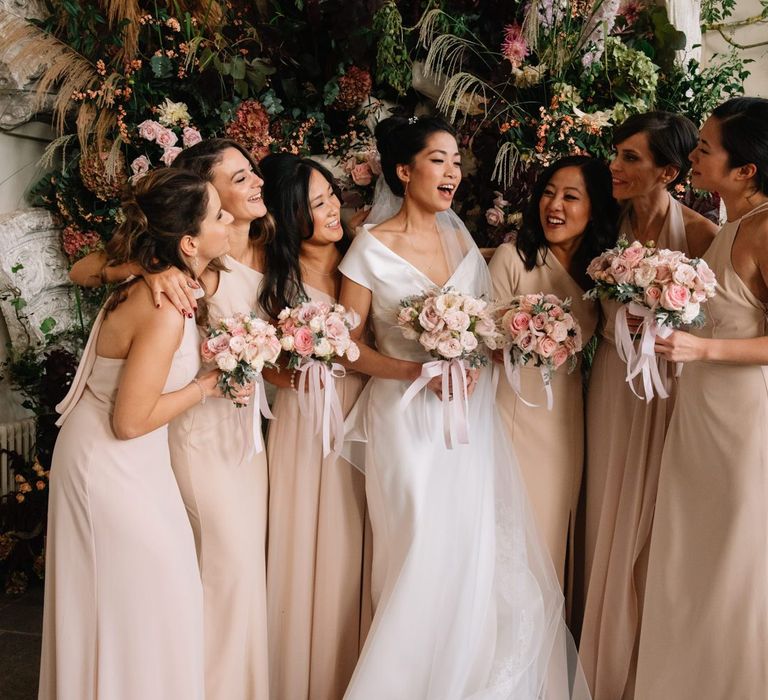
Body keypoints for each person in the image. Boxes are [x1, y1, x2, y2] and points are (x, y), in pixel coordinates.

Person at [338, 115, 589, 699]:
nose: (452, 172)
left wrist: (510, 340)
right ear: (404, 171)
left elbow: (485, 325)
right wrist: (413, 370)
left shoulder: (465, 244)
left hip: (471, 418)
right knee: (419, 544)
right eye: (438, 160)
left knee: (471, 547)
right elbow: (347, 346)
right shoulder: (369, 249)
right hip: (404, 417)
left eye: (456, 161)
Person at [69, 139, 274, 700]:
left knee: (206, 579)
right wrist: (145, 268)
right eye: (227, 191)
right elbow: (85, 269)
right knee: (189, 578)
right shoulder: (163, 288)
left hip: (209, 439)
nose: (242, 198)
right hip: (166, 438)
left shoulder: (237, 260)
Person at [38, 169, 230, 699]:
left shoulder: (166, 279)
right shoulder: (163, 305)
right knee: (140, 603)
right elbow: (129, 422)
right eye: (220, 214)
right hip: (110, 461)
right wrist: (205, 386)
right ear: (189, 241)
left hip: (133, 463)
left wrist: (148, 269)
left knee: (150, 603)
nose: (231, 218)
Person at [579, 112, 717, 700]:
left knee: (657, 519)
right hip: (611, 384)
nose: (615, 165)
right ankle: (593, 645)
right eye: (616, 153)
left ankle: (641, 666)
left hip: (669, 391)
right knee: (603, 500)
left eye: (632, 157)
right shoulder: (602, 224)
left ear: (668, 170)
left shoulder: (703, 235)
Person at [634, 97, 768, 700]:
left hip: (745, 423)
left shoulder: (767, 230)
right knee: (691, 557)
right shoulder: (730, 223)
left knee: (733, 565)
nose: (693, 153)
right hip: (700, 417)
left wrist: (701, 351)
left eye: (706, 147)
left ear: (746, 170)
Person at [258, 153, 371, 700]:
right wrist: (303, 366)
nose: (332, 209)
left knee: (353, 545)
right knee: (304, 542)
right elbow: (259, 362)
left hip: (362, 413)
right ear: (288, 212)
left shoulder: (361, 257)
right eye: (316, 202)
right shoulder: (272, 274)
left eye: (332, 196)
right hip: (303, 423)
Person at [489, 156, 619, 593]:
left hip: (565, 421)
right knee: (509, 531)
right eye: (548, 192)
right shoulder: (513, 257)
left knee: (551, 532)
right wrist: (523, 332)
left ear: (596, 208)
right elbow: (484, 341)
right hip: (510, 413)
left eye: (570, 196)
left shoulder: (602, 273)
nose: (554, 205)